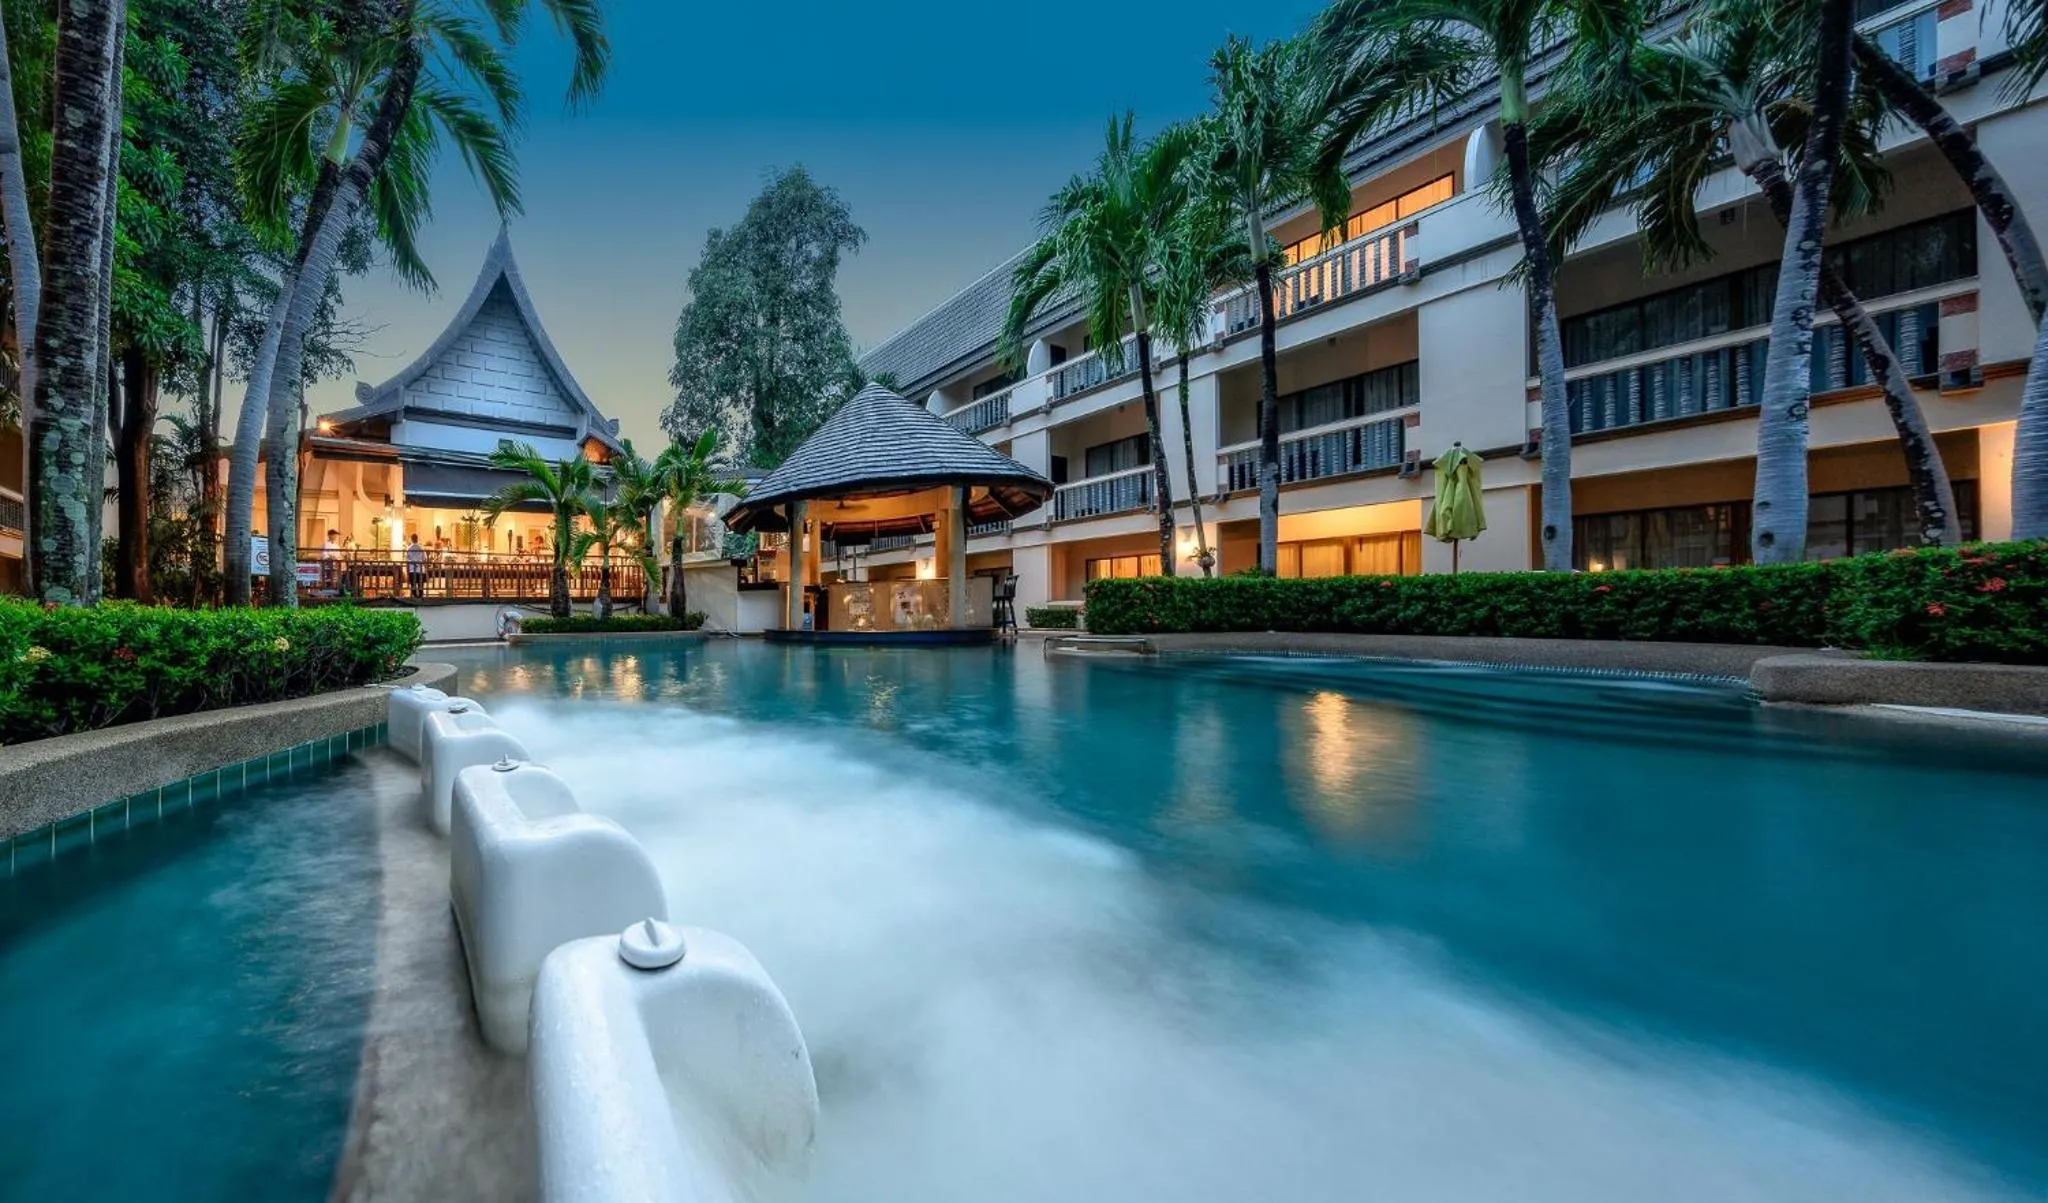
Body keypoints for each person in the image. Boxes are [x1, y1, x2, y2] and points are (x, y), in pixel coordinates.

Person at [406, 534, 427, 599]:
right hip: (420, 570)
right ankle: (420, 597)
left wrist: (407, 572)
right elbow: (424, 559)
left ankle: (414, 597)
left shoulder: (409, 548)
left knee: (413, 586)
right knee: (421, 586)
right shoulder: (421, 548)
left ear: (411, 539)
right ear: (417, 539)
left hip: (412, 570)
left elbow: (407, 561)